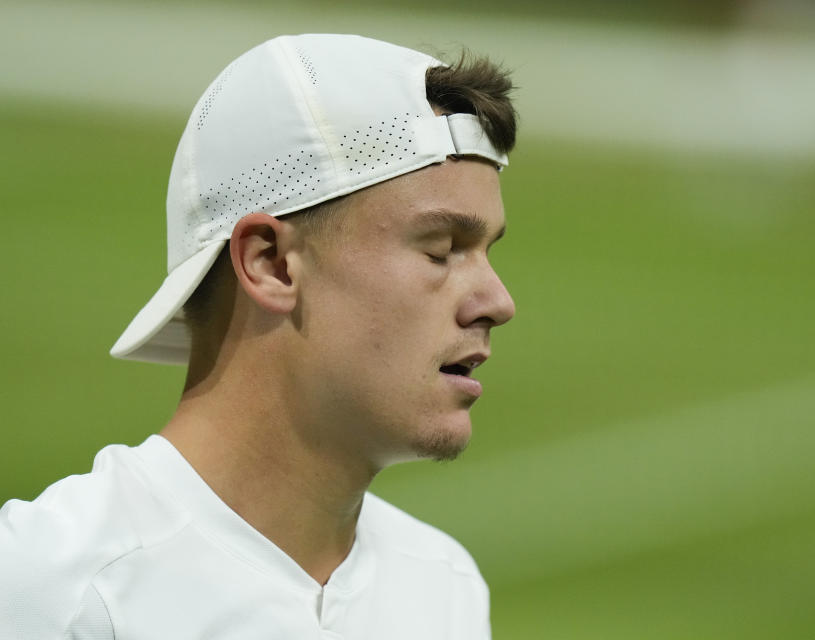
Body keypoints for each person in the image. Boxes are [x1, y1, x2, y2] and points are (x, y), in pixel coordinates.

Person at [0, 33, 516, 639]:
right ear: (270, 264)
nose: (498, 303)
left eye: (485, 251)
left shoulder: (444, 588)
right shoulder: (51, 592)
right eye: (442, 249)